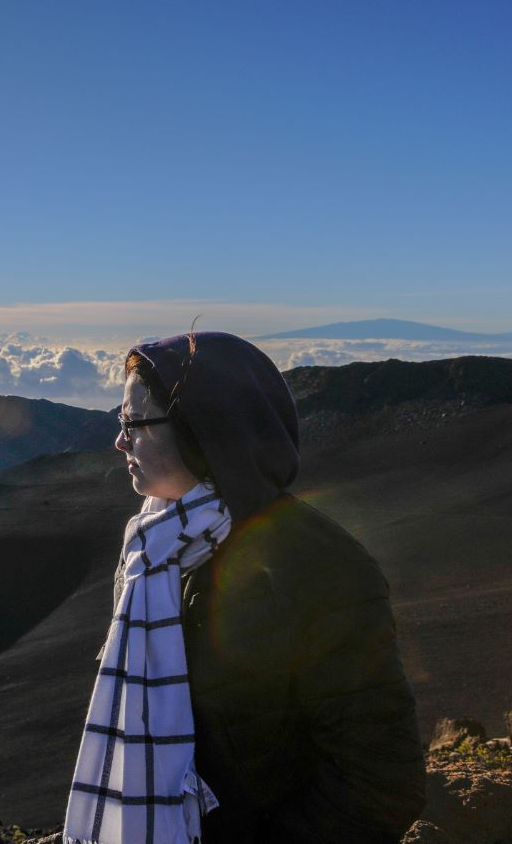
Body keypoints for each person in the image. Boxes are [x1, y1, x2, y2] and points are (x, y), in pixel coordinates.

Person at [63, 331, 426, 844]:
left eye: (135, 423)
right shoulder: (153, 548)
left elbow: (382, 780)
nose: (120, 441)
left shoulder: (320, 568)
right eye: (120, 421)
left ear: (204, 432)